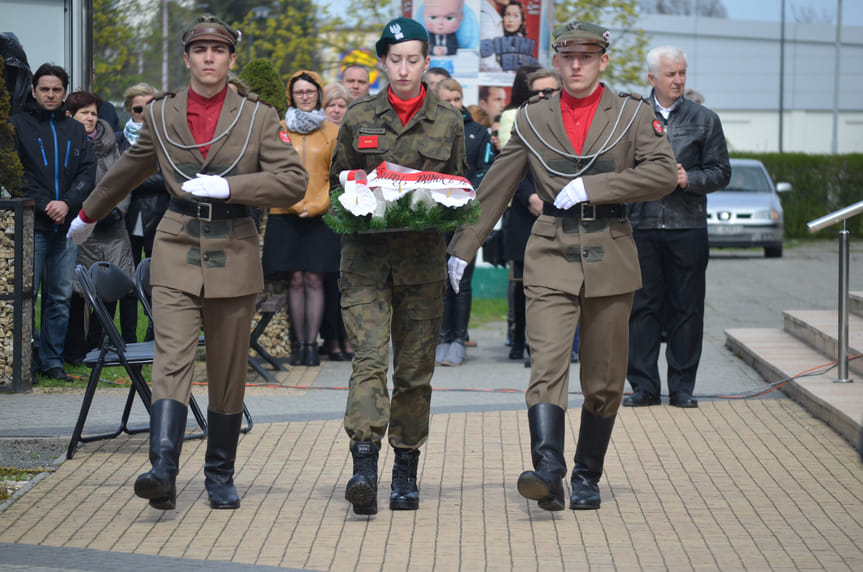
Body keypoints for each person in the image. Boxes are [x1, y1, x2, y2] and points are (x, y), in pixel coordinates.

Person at [67, 14, 308, 511]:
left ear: (230, 58)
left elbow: (292, 182)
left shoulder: (257, 116)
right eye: (199, 50)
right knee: (171, 356)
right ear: (187, 57)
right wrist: (88, 213)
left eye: (218, 50)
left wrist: (231, 186)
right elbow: (131, 169)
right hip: (177, 243)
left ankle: (219, 472)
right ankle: (163, 468)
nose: (209, 58)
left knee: (225, 369)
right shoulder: (161, 114)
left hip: (234, 244)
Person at [447, 20, 677, 512]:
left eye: (586, 57)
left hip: (609, 250)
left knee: (604, 378)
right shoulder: (532, 117)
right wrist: (462, 247)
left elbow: (661, 173)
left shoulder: (633, 114)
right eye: (568, 57)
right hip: (550, 249)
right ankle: (549, 471)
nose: (576, 65)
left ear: (603, 61)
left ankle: (587, 474)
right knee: (547, 363)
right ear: (557, 60)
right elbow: (498, 184)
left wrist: (596, 188)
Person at [329, 17, 465, 515]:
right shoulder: (358, 116)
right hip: (365, 260)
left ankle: (405, 468)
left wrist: (439, 204)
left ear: (426, 63)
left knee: (413, 371)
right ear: (383, 62)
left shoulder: (448, 122)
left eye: (413, 59)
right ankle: (363, 465)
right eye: (395, 59)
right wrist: (358, 198)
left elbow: (461, 192)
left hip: (422, 265)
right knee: (368, 360)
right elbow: (335, 185)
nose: (404, 68)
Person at [625, 45, 731, 409]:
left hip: (688, 227)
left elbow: (721, 172)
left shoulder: (705, 119)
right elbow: (615, 169)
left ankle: (682, 387)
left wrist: (690, 179)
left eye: (682, 72)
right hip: (641, 225)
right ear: (651, 78)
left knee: (687, 308)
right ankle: (643, 387)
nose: (679, 80)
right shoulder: (632, 117)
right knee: (642, 308)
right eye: (671, 74)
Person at [10, 63, 96, 382]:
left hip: (67, 224)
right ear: (34, 91)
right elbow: (18, 174)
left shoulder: (75, 130)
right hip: (34, 222)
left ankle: (52, 360)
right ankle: (28, 357)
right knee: (26, 294)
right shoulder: (18, 125)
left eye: (56, 89)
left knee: (59, 296)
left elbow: (88, 171)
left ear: (64, 93)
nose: (50, 94)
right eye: (44, 89)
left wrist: (68, 203)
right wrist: (47, 204)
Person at [262, 70, 340, 367]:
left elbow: (337, 175)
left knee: (315, 278)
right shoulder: (279, 129)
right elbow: (273, 169)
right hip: (286, 211)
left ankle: (312, 343)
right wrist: (294, 202)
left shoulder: (332, 131)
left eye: (310, 91)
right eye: (299, 92)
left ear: (319, 94)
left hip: (321, 213)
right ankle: (300, 344)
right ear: (290, 96)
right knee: (295, 278)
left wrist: (319, 204)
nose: (305, 96)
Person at [63, 91, 137, 363]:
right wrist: (88, 212)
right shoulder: (69, 141)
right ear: (71, 115)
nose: (91, 118)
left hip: (113, 229)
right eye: (85, 113)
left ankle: (98, 344)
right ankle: (75, 349)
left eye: (94, 113)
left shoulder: (113, 141)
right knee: (78, 293)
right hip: (84, 227)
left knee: (111, 290)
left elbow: (125, 180)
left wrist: (117, 210)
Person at [500, 68, 558, 363]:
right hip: (526, 213)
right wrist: (529, 197)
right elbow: (511, 167)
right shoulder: (521, 124)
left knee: (554, 287)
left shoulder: (570, 125)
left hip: (561, 214)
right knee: (523, 286)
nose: (544, 98)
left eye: (550, 92)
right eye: (539, 93)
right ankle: (518, 341)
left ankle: (547, 347)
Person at [434, 78, 493, 367]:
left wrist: (463, 191)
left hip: (466, 214)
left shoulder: (478, 132)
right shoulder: (427, 130)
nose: (453, 105)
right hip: (435, 215)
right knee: (439, 279)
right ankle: (442, 338)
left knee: (462, 279)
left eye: (457, 99)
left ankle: (458, 339)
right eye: (447, 100)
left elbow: (486, 170)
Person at [120, 82, 169, 341]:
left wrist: (133, 180)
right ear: (130, 109)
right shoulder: (119, 139)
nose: (144, 112)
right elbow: (115, 176)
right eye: (139, 108)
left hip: (160, 215)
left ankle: (154, 336)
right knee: (129, 278)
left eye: (150, 107)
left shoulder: (167, 138)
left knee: (156, 280)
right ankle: (128, 339)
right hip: (127, 218)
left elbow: (170, 178)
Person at [321, 82, 354, 362]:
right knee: (330, 280)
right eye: (330, 105)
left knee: (349, 280)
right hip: (325, 214)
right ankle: (332, 337)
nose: (336, 110)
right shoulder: (319, 135)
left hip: (352, 213)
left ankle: (348, 336)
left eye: (341, 105)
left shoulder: (355, 134)